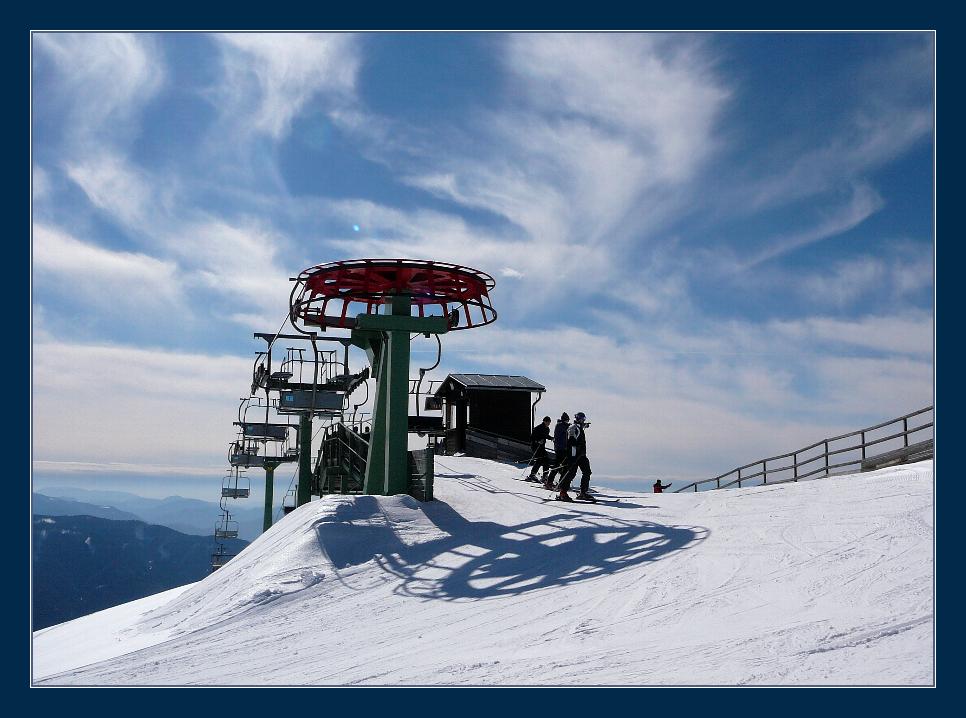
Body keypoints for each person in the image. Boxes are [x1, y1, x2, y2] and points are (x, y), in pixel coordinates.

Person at [558, 412, 595, 503]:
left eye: (584, 419)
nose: (583, 421)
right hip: (574, 455)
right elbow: (571, 441)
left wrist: (584, 426)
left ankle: (583, 492)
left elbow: (579, 430)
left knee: (587, 472)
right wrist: (574, 455)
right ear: (578, 419)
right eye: (582, 419)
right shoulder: (573, 427)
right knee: (571, 473)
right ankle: (563, 493)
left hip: (581, 455)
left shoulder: (579, 427)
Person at [544, 412, 570, 489]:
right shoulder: (560, 425)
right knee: (560, 466)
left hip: (561, 449)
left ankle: (553, 482)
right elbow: (568, 427)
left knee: (559, 466)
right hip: (561, 449)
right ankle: (555, 483)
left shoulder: (561, 425)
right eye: (567, 420)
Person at [526, 416, 553, 482]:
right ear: (544, 421)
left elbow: (546, 436)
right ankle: (533, 475)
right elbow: (532, 437)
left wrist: (552, 438)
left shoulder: (547, 429)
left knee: (546, 460)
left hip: (542, 447)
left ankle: (544, 476)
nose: (548, 423)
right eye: (548, 422)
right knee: (540, 460)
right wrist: (537, 441)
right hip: (535, 446)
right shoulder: (538, 428)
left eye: (549, 422)